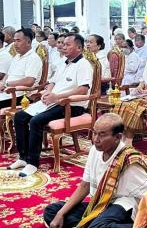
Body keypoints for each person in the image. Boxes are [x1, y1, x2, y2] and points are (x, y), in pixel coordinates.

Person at [43, 113, 147, 228]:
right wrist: (61, 213)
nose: (95, 139)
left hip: (122, 205)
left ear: (117, 137)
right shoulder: (94, 150)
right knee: (52, 211)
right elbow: (85, 185)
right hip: (99, 204)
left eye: (102, 135)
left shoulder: (129, 159)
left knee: (96, 227)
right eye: (94, 133)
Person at [9, 33, 93, 176]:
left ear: (79, 47)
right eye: (63, 44)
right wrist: (48, 92)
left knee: (36, 121)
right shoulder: (64, 63)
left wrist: (57, 96)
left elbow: (83, 89)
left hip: (71, 105)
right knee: (19, 117)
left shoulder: (83, 65)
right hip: (54, 101)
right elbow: (52, 82)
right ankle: (23, 157)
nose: (63, 47)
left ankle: (32, 163)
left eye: (67, 45)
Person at [0, 29, 43, 109]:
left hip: (20, 95)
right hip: (6, 91)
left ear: (29, 42)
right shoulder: (17, 56)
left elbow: (29, 81)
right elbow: (8, 74)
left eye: (18, 41)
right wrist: (2, 83)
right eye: (14, 41)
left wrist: (7, 84)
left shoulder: (33, 58)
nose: (15, 44)